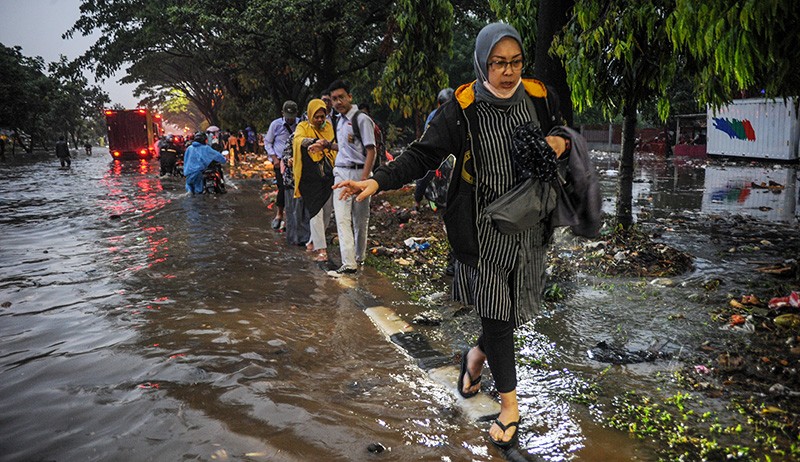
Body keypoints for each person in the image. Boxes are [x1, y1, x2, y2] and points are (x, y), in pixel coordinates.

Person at [333, 23, 572, 449]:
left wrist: (557, 143)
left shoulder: (539, 96)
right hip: (483, 227)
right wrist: (378, 181)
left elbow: (562, 130)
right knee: (497, 313)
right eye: (499, 63)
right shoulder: (463, 109)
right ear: (483, 62)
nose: (508, 71)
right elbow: (423, 153)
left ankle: (475, 358)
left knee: (514, 312)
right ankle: (510, 407)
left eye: (515, 62)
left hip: (531, 222)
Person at [328, 79, 377, 274]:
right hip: (341, 172)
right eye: (334, 99)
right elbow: (345, 148)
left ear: (350, 96)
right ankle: (348, 263)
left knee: (360, 219)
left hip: (360, 173)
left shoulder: (361, 119)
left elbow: (371, 151)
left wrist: (363, 182)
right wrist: (326, 145)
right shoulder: (338, 121)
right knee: (341, 218)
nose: (338, 102)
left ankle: (359, 257)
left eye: (341, 97)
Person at [291, 98, 338, 262]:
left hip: (326, 176)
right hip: (309, 178)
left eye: (322, 116)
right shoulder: (302, 127)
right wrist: (312, 142)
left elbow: (333, 149)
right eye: (316, 116)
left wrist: (324, 145)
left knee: (326, 211)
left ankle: (312, 242)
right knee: (315, 212)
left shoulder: (329, 128)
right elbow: (297, 140)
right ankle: (321, 249)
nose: (319, 120)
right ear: (310, 114)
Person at [415, 87, 455, 211]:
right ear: (439, 104)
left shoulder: (459, 114)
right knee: (424, 173)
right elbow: (429, 136)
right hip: (436, 150)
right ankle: (417, 201)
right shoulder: (434, 116)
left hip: (453, 152)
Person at [264, 101, 299, 230]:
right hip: (280, 163)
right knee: (283, 188)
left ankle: (295, 216)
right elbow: (268, 142)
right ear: (282, 113)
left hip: (296, 162)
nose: (290, 118)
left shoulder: (300, 124)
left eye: (293, 115)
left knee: (297, 189)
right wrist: (274, 158)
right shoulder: (276, 125)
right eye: (288, 115)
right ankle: (279, 214)